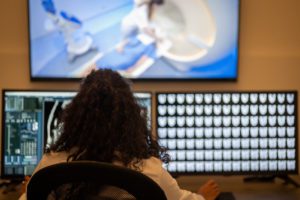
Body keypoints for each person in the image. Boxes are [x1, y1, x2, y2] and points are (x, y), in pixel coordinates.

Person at [20, 69, 220, 200]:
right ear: (131, 118)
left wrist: (28, 193)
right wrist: (202, 196)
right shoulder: (149, 172)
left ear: (75, 117)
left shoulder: (52, 167)